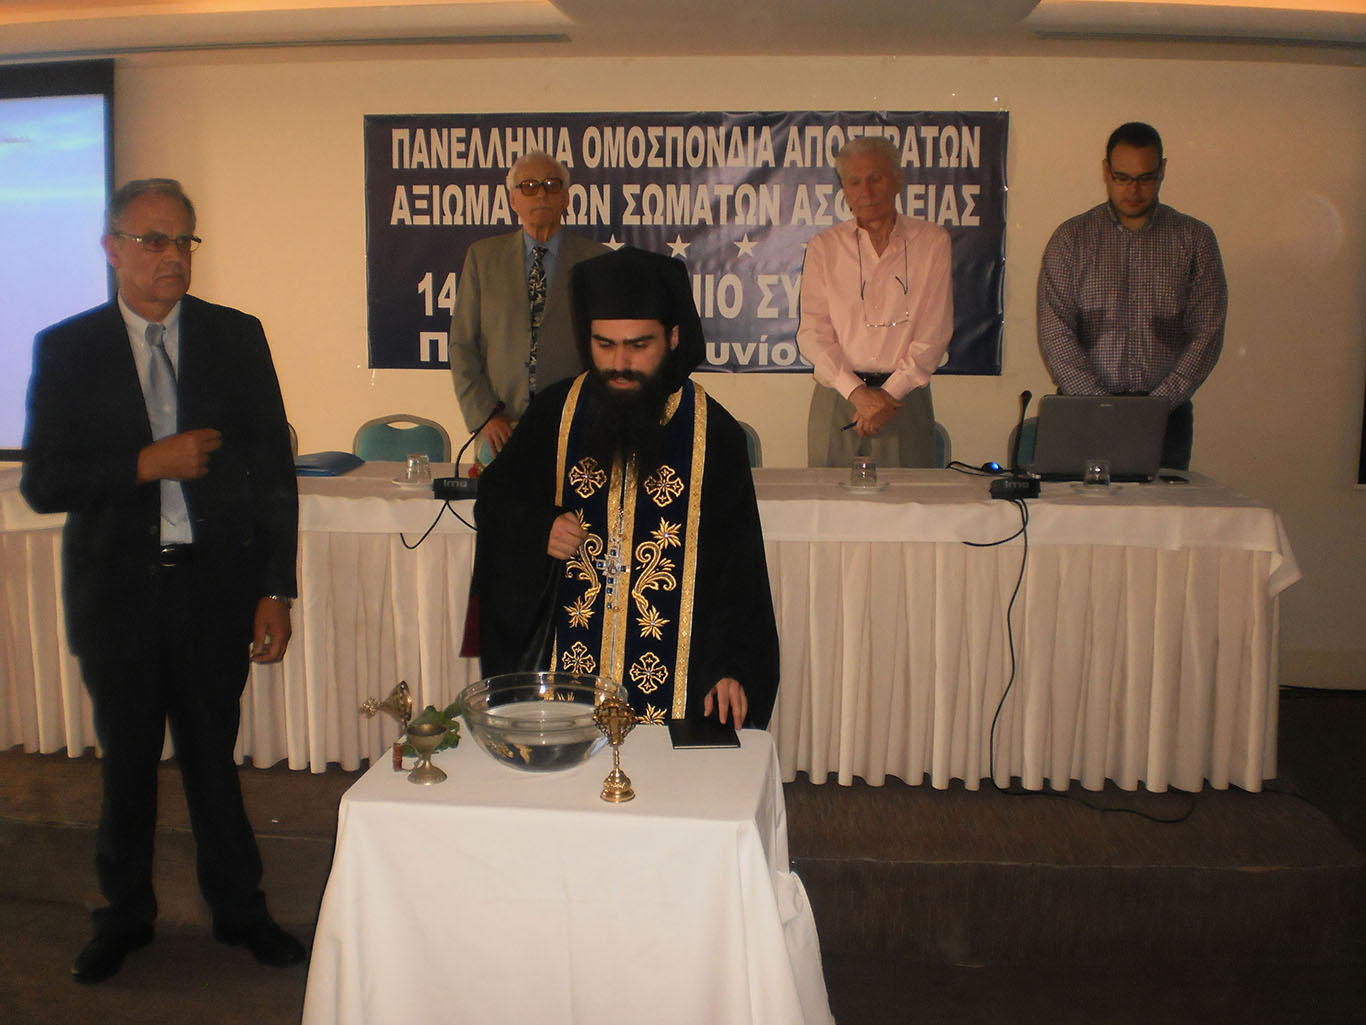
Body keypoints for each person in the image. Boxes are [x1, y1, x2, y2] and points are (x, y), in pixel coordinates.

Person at [21, 178, 303, 984]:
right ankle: (124, 918)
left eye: (183, 240)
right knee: (127, 765)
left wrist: (275, 588)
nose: (172, 255)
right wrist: (144, 463)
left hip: (214, 592)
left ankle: (241, 911)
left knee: (214, 760)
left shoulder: (235, 336)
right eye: (154, 240)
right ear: (112, 248)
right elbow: (44, 481)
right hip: (117, 597)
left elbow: (272, 474)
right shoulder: (68, 348)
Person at [472, 246, 779, 729]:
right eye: (604, 344)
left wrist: (731, 664)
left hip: (680, 684)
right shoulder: (556, 413)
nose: (619, 363)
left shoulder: (713, 433)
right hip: (563, 673)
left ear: (672, 337)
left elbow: (738, 565)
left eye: (638, 345)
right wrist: (538, 527)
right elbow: (496, 498)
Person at [1037, 121, 1228, 471]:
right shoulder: (1071, 239)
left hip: (1166, 418)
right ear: (1106, 171)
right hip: (1082, 412)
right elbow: (1055, 331)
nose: (1134, 190)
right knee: (1077, 508)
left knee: (1161, 508)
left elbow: (1207, 332)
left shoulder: (1194, 240)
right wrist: (1101, 407)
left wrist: (1155, 407)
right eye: (1122, 178)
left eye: (1146, 178)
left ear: (1163, 170)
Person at [797, 135, 954, 468]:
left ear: (897, 180)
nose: (865, 191)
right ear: (844, 188)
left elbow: (934, 334)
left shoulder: (931, 242)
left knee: (906, 501)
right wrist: (857, 393)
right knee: (828, 499)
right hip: (838, 398)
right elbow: (812, 333)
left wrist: (887, 396)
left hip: (903, 400)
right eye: (854, 181)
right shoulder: (825, 246)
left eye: (875, 178)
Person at [448, 149, 607, 465]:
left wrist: (591, 415)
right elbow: (462, 345)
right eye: (529, 186)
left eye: (551, 185)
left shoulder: (597, 260)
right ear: (513, 200)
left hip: (574, 429)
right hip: (501, 431)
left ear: (566, 197)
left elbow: (608, 350)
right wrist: (485, 416)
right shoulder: (482, 258)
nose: (541, 195)